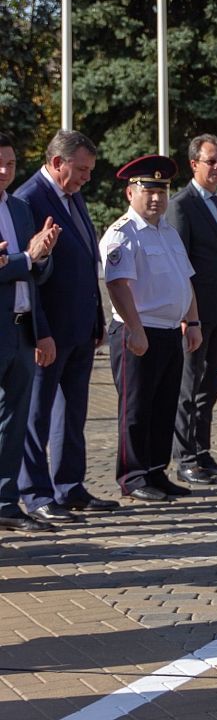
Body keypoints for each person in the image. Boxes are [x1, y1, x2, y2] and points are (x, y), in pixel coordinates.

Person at [15, 130, 117, 521]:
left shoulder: (73, 196)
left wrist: (96, 320)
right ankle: (36, 493)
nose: (87, 178)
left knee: (73, 413)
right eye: (82, 170)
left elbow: (85, 263)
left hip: (78, 330)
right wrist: (40, 332)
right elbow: (29, 277)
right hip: (48, 333)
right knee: (36, 415)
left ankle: (69, 486)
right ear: (58, 162)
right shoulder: (29, 199)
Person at [101, 156, 203, 502]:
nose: (157, 198)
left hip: (170, 330)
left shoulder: (168, 232)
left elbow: (185, 281)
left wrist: (193, 321)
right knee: (136, 408)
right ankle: (133, 476)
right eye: (148, 190)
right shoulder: (122, 234)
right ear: (131, 193)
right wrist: (135, 328)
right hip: (138, 332)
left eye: (161, 190)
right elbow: (117, 286)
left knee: (163, 406)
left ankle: (157, 471)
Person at [169, 135, 217, 482]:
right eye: (210, 161)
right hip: (195, 314)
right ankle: (184, 457)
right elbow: (179, 264)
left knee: (209, 387)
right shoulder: (182, 205)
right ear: (193, 164)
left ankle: (202, 452)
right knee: (189, 386)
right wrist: (189, 315)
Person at [0, 134, 61, 532]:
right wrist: (28, 257)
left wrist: (43, 254)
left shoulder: (20, 209)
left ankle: (6, 501)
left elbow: (36, 273)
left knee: (14, 422)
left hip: (23, 328)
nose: (5, 172)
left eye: (10, 163)